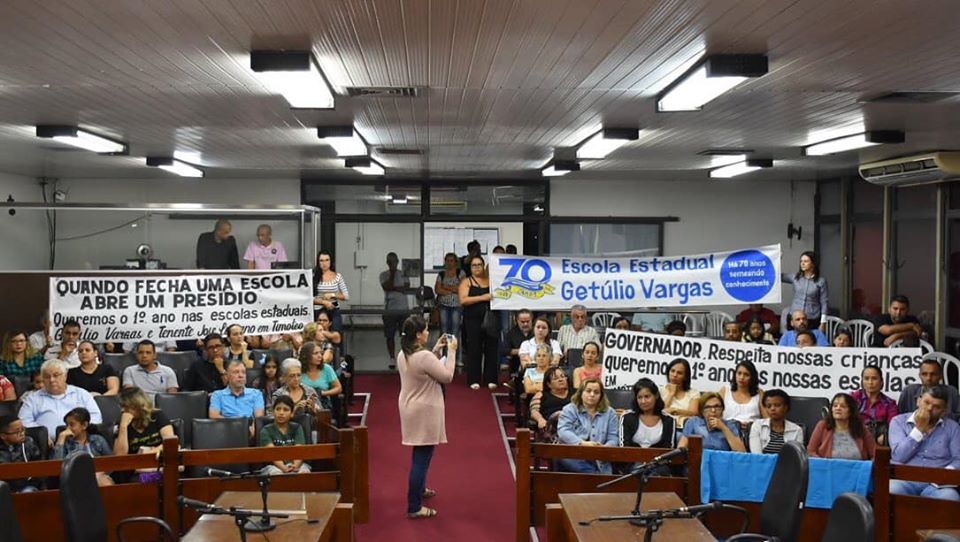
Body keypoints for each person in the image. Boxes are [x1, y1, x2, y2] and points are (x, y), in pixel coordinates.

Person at [397, 316, 456, 519]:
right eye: (426, 330)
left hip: (409, 406)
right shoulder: (423, 357)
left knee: (420, 451)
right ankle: (414, 506)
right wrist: (452, 351)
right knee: (422, 457)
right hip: (425, 409)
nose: (428, 333)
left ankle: (420, 488)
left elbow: (423, 367)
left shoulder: (403, 353)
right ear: (418, 334)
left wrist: (436, 350)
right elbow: (447, 376)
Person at [888, 386, 960, 501]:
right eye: (926, 402)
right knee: (891, 490)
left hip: (936, 484)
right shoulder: (898, 421)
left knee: (951, 497)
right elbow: (898, 456)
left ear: (943, 411)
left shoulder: (953, 428)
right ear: (918, 401)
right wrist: (919, 429)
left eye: (936, 407)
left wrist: (944, 475)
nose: (930, 409)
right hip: (904, 479)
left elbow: (958, 459)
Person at [19, 359, 102, 439]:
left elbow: (96, 417)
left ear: (65, 376)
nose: (52, 380)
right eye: (47, 377)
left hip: (78, 441)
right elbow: (23, 421)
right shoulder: (33, 398)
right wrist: (41, 434)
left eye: (56, 375)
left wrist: (79, 432)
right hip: (46, 444)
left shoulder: (81, 394)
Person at [557, 378, 620, 473]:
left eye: (596, 392)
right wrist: (582, 443)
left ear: (601, 395)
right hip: (574, 454)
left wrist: (604, 448)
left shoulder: (610, 413)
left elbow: (613, 437)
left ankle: (596, 476)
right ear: (581, 393)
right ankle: (596, 476)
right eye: (588, 391)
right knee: (565, 456)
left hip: (599, 457)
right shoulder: (569, 409)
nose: (592, 394)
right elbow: (563, 431)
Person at [619, 378, 677, 474]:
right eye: (639, 397)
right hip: (633, 464)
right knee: (638, 471)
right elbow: (624, 448)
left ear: (656, 396)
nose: (643, 401)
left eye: (647, 396)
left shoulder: (669, 420)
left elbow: (668, 451)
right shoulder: (627, 417)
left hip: (658, 465)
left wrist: (651, 463)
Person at [459, 254, 499, 390]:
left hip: (491, 319)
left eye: (479, 265)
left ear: (483, 266)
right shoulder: (466, 282)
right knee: (474, 349)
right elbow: (463, 300)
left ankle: (491, 379)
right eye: (473, 265)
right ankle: (473, 379)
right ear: (470, 268)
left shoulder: (491, 281)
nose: (476, 267)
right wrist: (483, 297)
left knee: (491, 348)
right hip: (472, 320)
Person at [52, 407, 113, 486]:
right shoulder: (66, 444)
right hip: (75, 479)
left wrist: (101, 473)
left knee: (105, 482)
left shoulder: (98, 440)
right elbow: (56, 467)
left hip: (99, 477)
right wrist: (61, 438)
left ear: (84, 425)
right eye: (67, 425)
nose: (68, 429)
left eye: (72, 425)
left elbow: (111, 462)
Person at [808, 393, 876, 460]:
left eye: (843, 406)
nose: (838, 408)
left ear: (850, 411)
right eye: (835, 406)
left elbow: (875, 454)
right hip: (828, 467)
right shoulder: (822, 426)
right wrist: (822, 463)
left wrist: (871, 464)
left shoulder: (861, 428)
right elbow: (810, 451)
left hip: (857, 467)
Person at [113, 387, 174, 456]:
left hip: (159, 459)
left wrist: (149, 453)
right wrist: (123, 427)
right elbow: (119, 455)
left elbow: (170, 444)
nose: (122, 410)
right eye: (121, 406)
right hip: (135, 461)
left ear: (138, 405)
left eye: (126, 406)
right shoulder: (121, 422)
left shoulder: (157, 415)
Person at [259, 395, 310, 474]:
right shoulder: (266, 430)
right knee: (277, 474)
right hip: (274, 466)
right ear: (273, 411)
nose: (281, 413)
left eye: (286, 410)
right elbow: (272, 454)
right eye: (278, 409)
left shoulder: (297, 428)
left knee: (304, 472)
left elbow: (299, 452)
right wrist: (284, 468)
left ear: (292, 413)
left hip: (296, 464)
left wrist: (295, 466)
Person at [678, 392, 746, 452]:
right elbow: (681, 449)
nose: (713, 410)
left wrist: (724, 428)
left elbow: (742, 452)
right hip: (698, 461)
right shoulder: (693, 422)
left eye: (717, 406)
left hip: (722, 461)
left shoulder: (730, 425)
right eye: (708, 407)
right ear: (702, 411)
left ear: (722, 409)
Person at [782, 250, 829, 332]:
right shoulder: (795, 277)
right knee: (793, 338)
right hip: (795, 317)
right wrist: (778, 259)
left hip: (812, 318)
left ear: (813, 263)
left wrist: (823, 322)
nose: (802, 263)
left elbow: (824, 302)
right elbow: (777, 276)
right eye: (801, 261)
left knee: (811, 339)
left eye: (806, 261)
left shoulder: (821, 281)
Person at [851, 365, 898, 445]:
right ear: (862, 381)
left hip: (879, 443)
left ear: (881, 381)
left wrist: (885, 436)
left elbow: (894, 427)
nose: (870, 382)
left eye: (874, 378)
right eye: (866, 378)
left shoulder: (890, 404)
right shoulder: (853, 398)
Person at [749, 389, 803, 454]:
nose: (772, 409)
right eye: (769, 406)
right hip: (762, 461)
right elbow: (756, 454)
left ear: (786, 407)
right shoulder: (757, 426)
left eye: (777, 405)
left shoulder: (797, 430)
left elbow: (796, 455)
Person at [381, 252, 411, 369]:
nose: (392, 263)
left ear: (397, 262)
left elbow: (406, 288)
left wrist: (394, 288)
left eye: (394, 261)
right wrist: (392, 274)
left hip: (404, 309)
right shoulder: (383, 275)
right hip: (390, 310)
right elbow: (387, 286)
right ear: (387, 262)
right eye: (390, 261)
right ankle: (392, 358)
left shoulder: (403, 274)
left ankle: (406, 356)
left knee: (405, 335)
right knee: (390, 335)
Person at [717, 360, 765, 431]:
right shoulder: (725, 390)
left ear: (752, 377)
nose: (742, 377)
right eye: (739, 373)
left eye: (746, 375)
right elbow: (716, 414)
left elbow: (767, 419)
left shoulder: (759, 393)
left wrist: (752, 425)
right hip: (727, 431)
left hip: (752, 432)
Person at [0, 415, 44, 492]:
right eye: (17, 432)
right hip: (5, 488)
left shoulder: (28, 443)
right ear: (3, 436)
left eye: (23, 429)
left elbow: (40, 467)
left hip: (28, 485)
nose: (22, 433)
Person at [529, 367, 571, 441]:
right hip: (552, 427)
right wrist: (540, 419)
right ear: (549, 384)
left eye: (562, 377)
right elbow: (534, 411)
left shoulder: (576, 394)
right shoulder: (541, 395)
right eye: (555, 378)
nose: (561, 380)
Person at [435, 252, 465, 354]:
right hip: (444, 306)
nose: (449, 263)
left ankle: (454, 354)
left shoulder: (460, 273)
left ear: (456, 262)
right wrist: (453, 290)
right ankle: (444, 354)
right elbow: (437, 290)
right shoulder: (441, 274)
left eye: (451, 261)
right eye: (447, 261)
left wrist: (445, 287)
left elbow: (461, 288)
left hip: (457, 306)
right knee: (444, 330)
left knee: (455, 330)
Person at [299, 341, 341, 411]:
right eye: (316, 353)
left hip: (323, 404)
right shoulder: (298, 370)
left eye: (321, 353)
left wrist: (322, 393)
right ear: (306, 356)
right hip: (302, 404)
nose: (320, 356)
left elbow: (338, 388)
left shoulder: (326, 368)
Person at [660, 358, 700, 430]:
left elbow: (694, 413)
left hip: (685, 428)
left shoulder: (693, 393)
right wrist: (671, 394)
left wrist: (674, 410)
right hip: (664, 427)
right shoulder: (660, 390)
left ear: (685, 376)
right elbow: (661, 412)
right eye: (672, 371)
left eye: (679, 373)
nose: (675, 375)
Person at [313, 250, 349, 328]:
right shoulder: (313, 276)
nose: (324, 263)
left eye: (327, 260)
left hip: (333, 308)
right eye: (321, 260)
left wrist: (333, 295)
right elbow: (308, 298)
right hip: (317, 309)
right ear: (318, 262)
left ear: (330, 261)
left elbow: (346, 296)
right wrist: (324, 302)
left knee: (336, 330)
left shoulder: (338, 276)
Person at [504, 309, 534, 375]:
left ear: (532, 320)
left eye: (528, 321)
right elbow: (505, 350)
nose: (525, 324)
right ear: (517, 321)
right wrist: (522, 351)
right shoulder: (511, 333)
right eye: (522, 322)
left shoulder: (537, 331)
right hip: (516, 365)